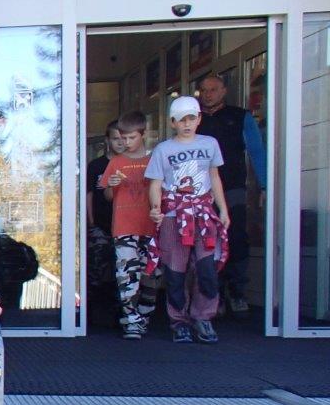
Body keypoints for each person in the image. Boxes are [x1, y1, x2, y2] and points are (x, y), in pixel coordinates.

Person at [146, 95, 230, 344]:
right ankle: (179, 321)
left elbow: (214, 177)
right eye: (181, 120)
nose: (186, 124)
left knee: (206, 268)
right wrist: (155, 208)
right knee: (175, 271)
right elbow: (155, 183)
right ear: (172, 122)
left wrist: (223, 210)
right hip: (174, 215)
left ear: (199, 119)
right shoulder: (163, 149)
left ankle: (203, 317)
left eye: (191, 118)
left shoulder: (210, 144)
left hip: (203, 215)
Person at [195, 72, 266, 314]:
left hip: (233, 188)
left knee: (235, 238)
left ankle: (237, 291)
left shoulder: (240, 117)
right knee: (205, 241)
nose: (208, 94)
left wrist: (265, 186)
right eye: (204, 90)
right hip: (199, 192)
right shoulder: (193, 119)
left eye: (213, 89)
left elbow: (257, 153)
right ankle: (214, 295)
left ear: (224, 90)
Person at [102, 112, 159, 339]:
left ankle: (144, 316)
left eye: (131, 137)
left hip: (150, 227)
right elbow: (106, 194)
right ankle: (131, 321)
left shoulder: (154, 159)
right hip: (124, 227)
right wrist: (111, 186)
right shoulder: (116, 162)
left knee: (152, 275)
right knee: (126, 275)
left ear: (143, 135)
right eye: (122, 138)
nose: (126, 143)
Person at [86, 121, 123, 326]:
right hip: (100, 224)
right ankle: (90, 314)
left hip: (124, 226)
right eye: (116, 139)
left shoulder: (131, 164)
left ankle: (120, 313)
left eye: (123, 138)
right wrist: (91, 222)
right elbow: (89, 195)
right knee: (97, 269)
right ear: (108, 141)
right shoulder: (97, 166)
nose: (120, 143)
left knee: (122, 271)